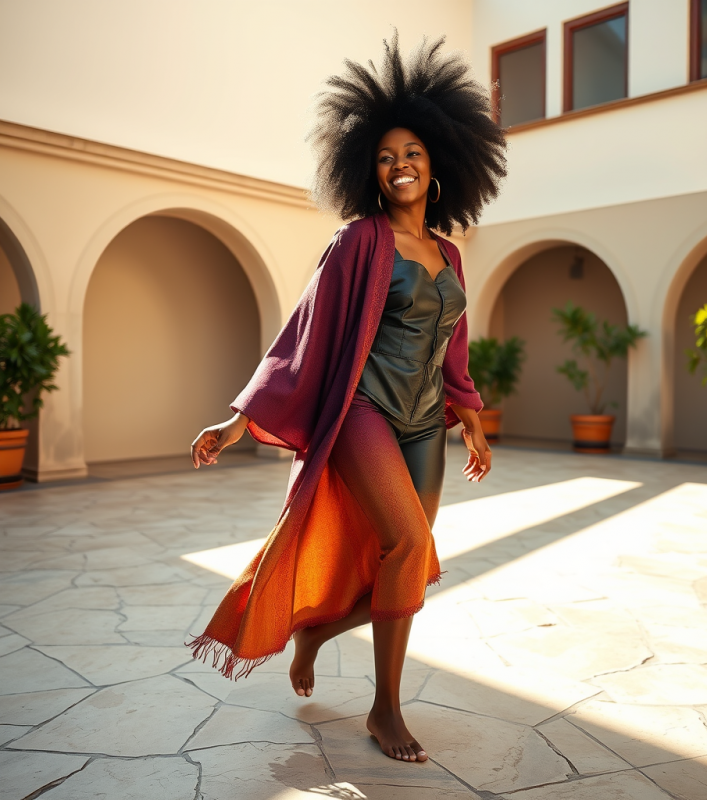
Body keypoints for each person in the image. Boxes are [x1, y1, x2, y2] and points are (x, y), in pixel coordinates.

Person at [187, 32, 506, 764]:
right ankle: (385, 710)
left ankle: (318, 631)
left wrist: (473, 422)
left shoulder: (450, 253)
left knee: (410, 560)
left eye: (413, 154)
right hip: (367, 412)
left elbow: (453, 350)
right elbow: (303, 332)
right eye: (387, 156)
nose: (399, 165)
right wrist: (240, 419)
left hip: (428, 425)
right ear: (371, 169)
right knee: (404, 540)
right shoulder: (358, 243)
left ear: (439, 166)